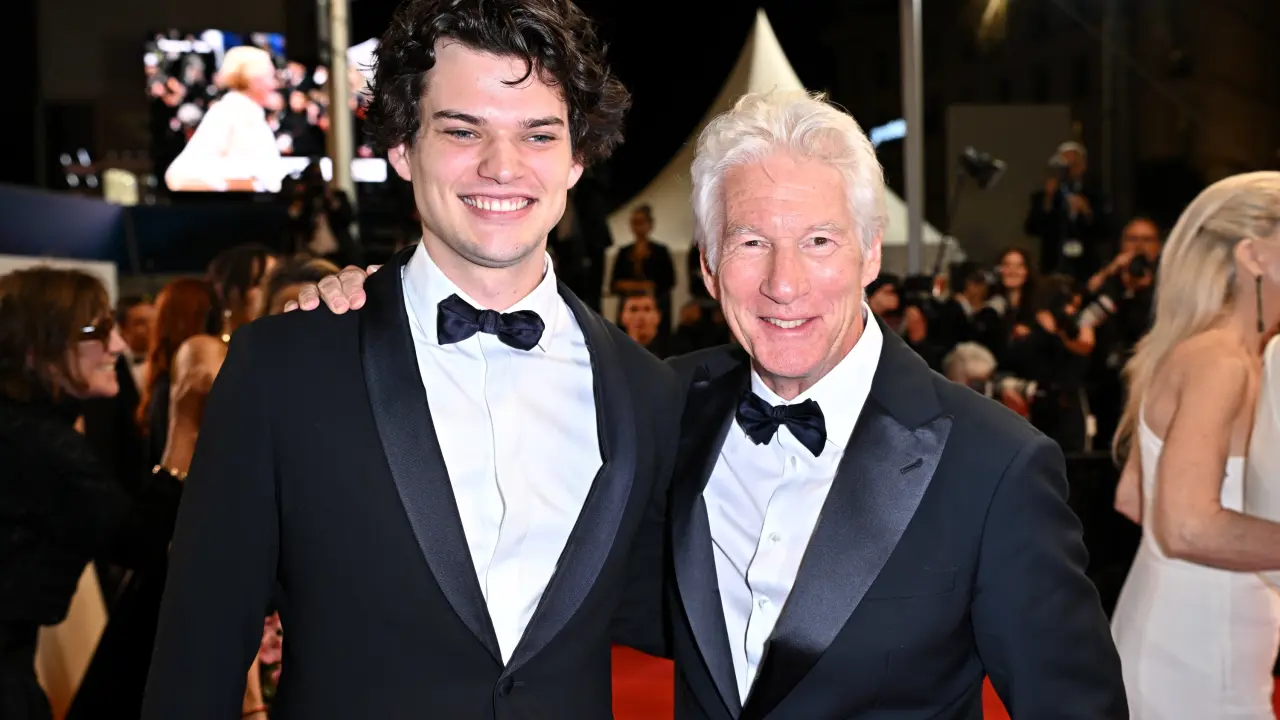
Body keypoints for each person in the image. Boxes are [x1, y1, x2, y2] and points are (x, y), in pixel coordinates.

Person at [299, 91, 1127, 719]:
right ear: (706, 265)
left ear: (872, 252)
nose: (783, 284)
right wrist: (377, 311)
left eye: (818, 242)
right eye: (751, 242)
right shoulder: (658, 405)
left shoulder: (994, 465)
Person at [140, 1, 680, 718]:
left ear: (576, 156)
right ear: (402, 146)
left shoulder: (648, 391)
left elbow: (698, 616)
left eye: (538, 134)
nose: (502, 166)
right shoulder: (285, 370)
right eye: (463, 130)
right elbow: (196, 664)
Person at [1111, 171, 1280, 718]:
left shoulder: (1198, 349)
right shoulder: (1222, 362)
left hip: (1189, 640)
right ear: (1254, 255)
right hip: (1200, 660)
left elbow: (1133, 497)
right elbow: (1186, 527)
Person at [0, 268, 188, 720]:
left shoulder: (26, 429)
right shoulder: (41, 443)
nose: (118, 345)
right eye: (97, 331)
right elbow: (139, 542)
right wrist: (184, 435)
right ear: (38, 349)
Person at [164, 45, 284, 193]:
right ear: (253, 79)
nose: (274, 84)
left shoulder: (251, 114)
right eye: (270, 77)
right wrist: (243, 183)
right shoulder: (227, 111)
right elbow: (179, 175)